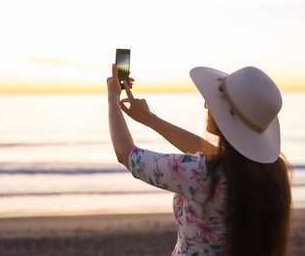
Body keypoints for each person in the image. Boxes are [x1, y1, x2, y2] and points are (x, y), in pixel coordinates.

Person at [107, 64, 292, 256]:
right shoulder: (272, 172)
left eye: (213, 101)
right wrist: (151, 120)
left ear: (227, 115)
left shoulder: (200, 173)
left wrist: (113, 98)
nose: (206, 105)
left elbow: (126, 154)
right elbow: (211, 152)